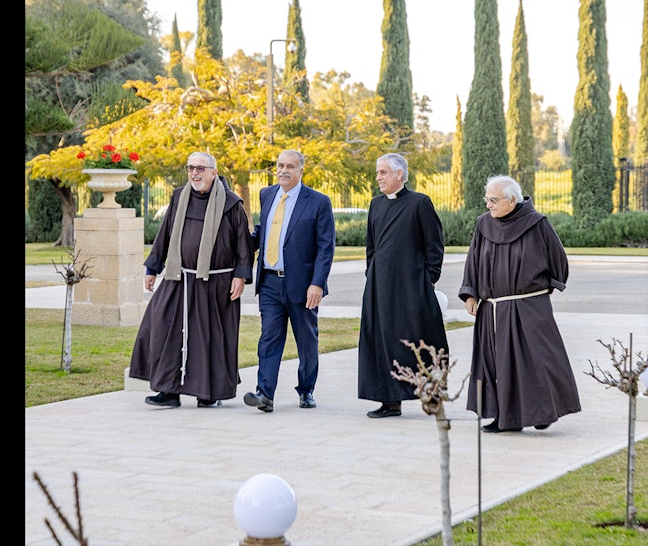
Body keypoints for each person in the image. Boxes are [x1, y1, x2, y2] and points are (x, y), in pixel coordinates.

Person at [128, 151, 252, 408]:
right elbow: (165, 235)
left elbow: (243, 244)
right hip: (179, 277)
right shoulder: (178, 198)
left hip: (215, 283)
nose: (194, 173)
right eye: (190, 168)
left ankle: (209, 393)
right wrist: (152, 268)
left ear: (214, 172)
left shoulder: (231, 204)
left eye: (200, 169)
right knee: (162, 328)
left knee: (209, 337)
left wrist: (240, 276)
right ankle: (168, 390)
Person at [461, 176, 579, 433]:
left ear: (511, 200)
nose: (488, 205)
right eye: (487, 200)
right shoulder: (483, 224)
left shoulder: (538, 224)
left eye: (493, 200)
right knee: (496, 364)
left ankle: (541, 412)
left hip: (529, 307)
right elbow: (473, 261)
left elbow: (558, 261)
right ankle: (503, 417)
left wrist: (544, 289)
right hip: (492, 309)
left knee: (536, 362)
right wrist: (470, 294)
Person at [243, 150, 335, 413]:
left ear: (300, 171)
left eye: (290, 166)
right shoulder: (267, 194)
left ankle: (306, 390)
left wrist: (317, 284)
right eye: (280, 165)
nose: (283, 170)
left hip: (303, 285)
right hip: (270, 283)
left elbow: (325, 247)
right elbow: (265, 230)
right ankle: (265, 394)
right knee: (269, 338)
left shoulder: (318, 202)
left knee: (306, 341)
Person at [357, 154, 448, 418]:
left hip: (411, 289)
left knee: (417, 340)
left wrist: (427, 279)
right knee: (382, 341)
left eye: (384, 172)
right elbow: (371, 247)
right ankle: (389, 400)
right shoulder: (375, 205)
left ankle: (430, 394)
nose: (379, 177)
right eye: (377, 172)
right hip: (379, 289)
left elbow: (434, 246)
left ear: (400, 174)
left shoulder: (420, 203)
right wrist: (372, 275)